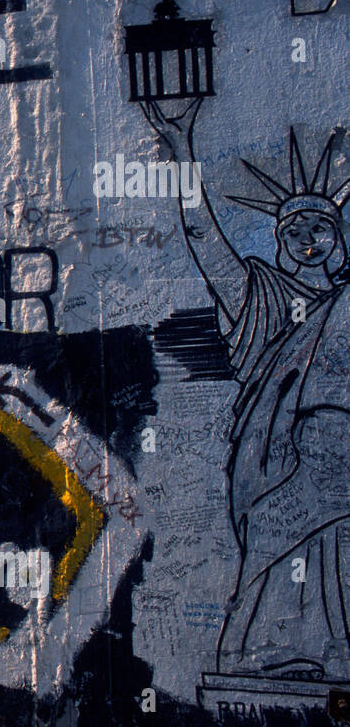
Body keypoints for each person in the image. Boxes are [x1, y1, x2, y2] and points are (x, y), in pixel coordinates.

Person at [144, 99, 350, 682]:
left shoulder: (347, 304)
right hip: (272, 461)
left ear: (336, 238)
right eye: (295, 229)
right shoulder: (260, 295)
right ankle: (264, 659)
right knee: (278, 553)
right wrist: (182, 150)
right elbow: (206, 243)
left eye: (319, 227)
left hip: (337, 453)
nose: (307, 238)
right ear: (280, 238)